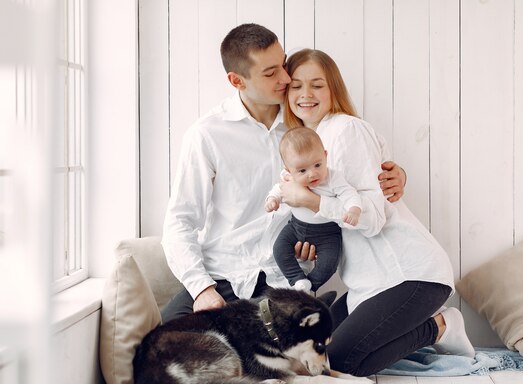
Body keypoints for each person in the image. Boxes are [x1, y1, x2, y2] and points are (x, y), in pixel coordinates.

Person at [160, 23, 406, 323]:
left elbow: (359, 157)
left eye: (283, 64)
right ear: (237, 81)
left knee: (287, 354)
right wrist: (201, 289)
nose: (286, 78)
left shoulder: (307, 125)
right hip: (223, 275)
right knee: (168, 346)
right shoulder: (207, 135)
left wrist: (396, 173)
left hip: (285, 278)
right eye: (270, 72)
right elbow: (179, 223)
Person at [280, 48, 475, 377]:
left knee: (340, 363)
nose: (306, 94)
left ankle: (441, 327)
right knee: (308, 359)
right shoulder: (304, 143)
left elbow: (372, 219)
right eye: (296, 86)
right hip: (367, 283)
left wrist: (312, 202)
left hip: (410, 274)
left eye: (317, 85)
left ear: (334, 90)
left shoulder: (346, 131)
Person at [266, 126, 361, 292]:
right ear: (289, 170)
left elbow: (349, 193)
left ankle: (310, 286)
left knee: (329, 263)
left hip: (327, 233)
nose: (312, 174)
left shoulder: (333, 178)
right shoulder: (288, 177)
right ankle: (296, 279)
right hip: (295, 228)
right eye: (302, 170)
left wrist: (354, 209)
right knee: (279, 249)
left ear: (325, 156)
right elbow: (279, 189)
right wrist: (273, 199)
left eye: (317, 165)